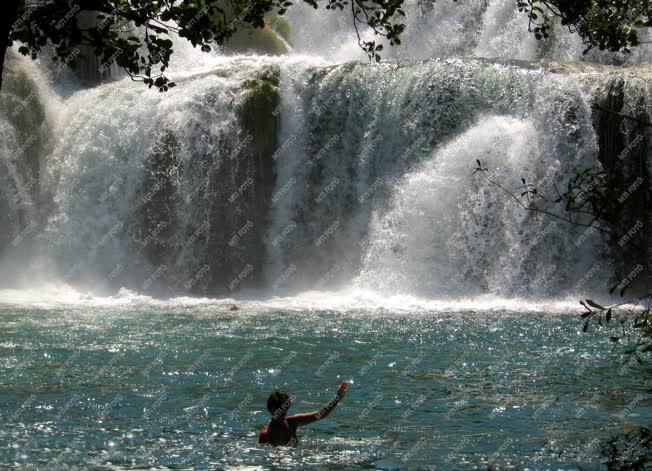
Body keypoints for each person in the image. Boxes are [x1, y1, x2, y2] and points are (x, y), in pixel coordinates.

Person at [258, 381, 348, 447]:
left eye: (285, 409)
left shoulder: (292, 422)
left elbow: (320, 414)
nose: (283, 413)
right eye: (280, 410)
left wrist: (338, 398)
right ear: (271, 410)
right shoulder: (265, 435)